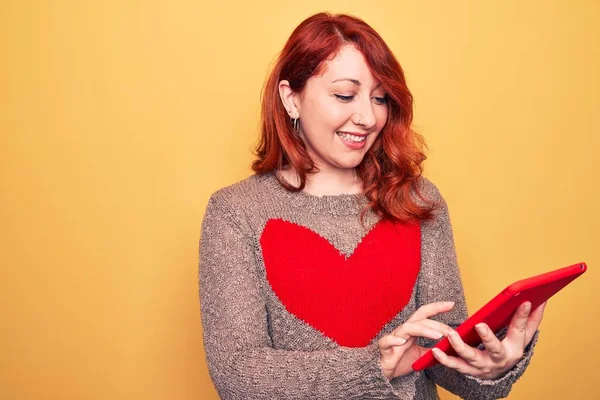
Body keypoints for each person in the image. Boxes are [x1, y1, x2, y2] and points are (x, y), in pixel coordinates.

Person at [199, 12, 545, 400]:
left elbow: (442, 358)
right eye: (345, 95)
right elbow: (238, 375)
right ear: (290, 97)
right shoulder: (236, 212)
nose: (366, 117)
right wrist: (374, 366)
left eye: (380, 98)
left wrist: (494, 364)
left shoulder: (419, 200)